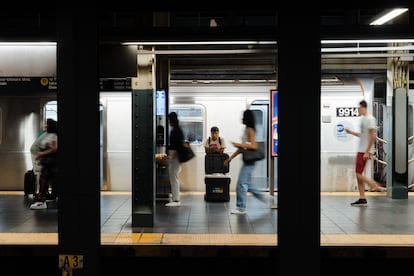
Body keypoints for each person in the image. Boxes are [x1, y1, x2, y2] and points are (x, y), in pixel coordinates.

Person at [224, 109, 267, 214]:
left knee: (241, 183)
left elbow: (253, 145)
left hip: (250, 161)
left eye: (243, 116)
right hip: (248, 161)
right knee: (246, 183)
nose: (241, 118)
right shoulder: (246, 130)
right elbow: (242, 148)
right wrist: (231, 157)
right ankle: (265, 198)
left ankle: (241, 207)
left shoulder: (250, 130)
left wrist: (239, 144)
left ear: (246, 118)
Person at [345, 100, 386, 207]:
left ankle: (373, 184)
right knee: (359, 175)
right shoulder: (363, 120)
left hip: (364, 151)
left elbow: (372, 136)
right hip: (361, 150)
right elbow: (363, 135)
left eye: (359, 108)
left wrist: (367, 151)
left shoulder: (370, 119)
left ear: (363, 107)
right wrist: (350, 132)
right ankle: (362, 198)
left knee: (358, 174)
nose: (358, 110)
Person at [30, 119, 58, 210]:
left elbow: (54, 149)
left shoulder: (53, 135)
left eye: (47, 124)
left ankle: (41, 201)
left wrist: (41, 154)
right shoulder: (48, 135)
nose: (45, 126)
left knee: (44, 180)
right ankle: (45, 199)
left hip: (50, 162)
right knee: (45, 180)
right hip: (47, 162)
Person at [166, 112, 184, 207]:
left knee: (173, 177)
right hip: (176, 157)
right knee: (174, 176)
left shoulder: (175, 131)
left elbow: (177, 147)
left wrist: (171, 157)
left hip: (175, 157)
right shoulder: (178, 129)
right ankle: (175, 197)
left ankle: (176, 200)